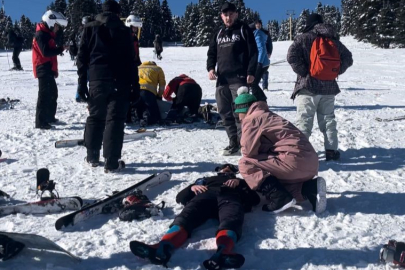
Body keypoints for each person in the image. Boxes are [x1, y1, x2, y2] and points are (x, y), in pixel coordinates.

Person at [130, 164, 260, 269]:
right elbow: (180, 198)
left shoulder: (240, 181)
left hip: (229, 197)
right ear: (219, 171)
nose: (226, 169)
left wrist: (240, 184)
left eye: (230, 168)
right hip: (205, 196)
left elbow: (255, 199)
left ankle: (224, 252)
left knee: (231, 219)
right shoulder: (205, 180)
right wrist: (192, 188)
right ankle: (161, 247)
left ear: (233, 172)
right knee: (186, 216)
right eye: (223, 167)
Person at [234, 87, 327, 214]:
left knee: (245, 163)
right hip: (310, 163)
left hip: (294, 162)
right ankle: (310, 188)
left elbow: (248, 151)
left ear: (244, 110)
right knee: (278, 183)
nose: (239, 118)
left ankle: (279, 198)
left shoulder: (252, 119)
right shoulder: (269, 116)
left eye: (238, 113)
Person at [76, 0, 140, 172]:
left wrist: (81, 84)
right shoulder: (125, 31)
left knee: (96, 116)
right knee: (115, 120)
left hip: (97, 79)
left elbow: (82, 58)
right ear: (118, 14)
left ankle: (92, 156)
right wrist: (136, 86)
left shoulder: (90, 28)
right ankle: (111, 162)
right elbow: (131, 61)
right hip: (120, 80)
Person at [287, 13, 353, 161]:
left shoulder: (304, 37)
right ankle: (331, 151)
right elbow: (348, 57)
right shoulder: (333, 39)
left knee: (304, 121)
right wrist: (334, 71)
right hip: (329, 88)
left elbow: (291, 56)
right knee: (328, 120)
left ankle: (302, 154)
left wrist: (305, 72)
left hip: (307, 87)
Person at [206, 2, 258, 156]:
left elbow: (253, 52)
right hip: (222, 80)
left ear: (236, 14)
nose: (228, 17)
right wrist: (210, 68)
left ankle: (245, 144)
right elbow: (211, 53)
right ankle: (233, 142)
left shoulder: (243, 29)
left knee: (241, 113)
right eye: (225, 14)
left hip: (239, 78)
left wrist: (251, 72)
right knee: (224, 111)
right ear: (222, 16)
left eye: (230, 14)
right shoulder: (219, 33)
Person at [32, 10, 68, 130]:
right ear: (51, 22)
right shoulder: (41, 35)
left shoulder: (47, 34)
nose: (57, 29)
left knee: (52, 93)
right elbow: (46, 52)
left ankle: (49, 117)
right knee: (44, 95)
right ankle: (40, 121)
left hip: (47, 67)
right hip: (42, 67)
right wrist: (60, 49)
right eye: (57, 26)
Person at [137, 61, 166, 126]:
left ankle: (138, 119)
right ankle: (147, 121)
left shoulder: (138, 68)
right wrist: (159, 95)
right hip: (149, 91)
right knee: (152, 109)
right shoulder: (158, 69)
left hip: (137, 89)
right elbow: (162, 84)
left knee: (139, 105)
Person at [248, 21, 269, 102]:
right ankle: (261, 100)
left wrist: (259, 63)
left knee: (253, 83)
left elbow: (262, 49)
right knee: (253, 84)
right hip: (262, 62)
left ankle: (261, 101)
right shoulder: (257, 34)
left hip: (261, 63)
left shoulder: (257, 34)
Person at [75, 16, 93, 103]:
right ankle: (79, 95)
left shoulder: (82, 33)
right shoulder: (84, 33)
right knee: (85, 77)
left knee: (84, 77)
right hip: (85, 59)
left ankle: (80, 95)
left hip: (84, 59)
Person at [254, 20, 273, 91]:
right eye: (256, 24)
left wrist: (270, 52)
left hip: (262, 55)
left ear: (261, 25)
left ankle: (264, 86)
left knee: (263, 71)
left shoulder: (263, 33)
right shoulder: (255, 32)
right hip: (258, 55)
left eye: (259, 24)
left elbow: (269, 43)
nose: (258, 26)